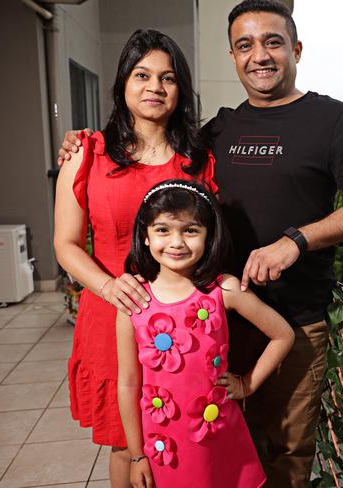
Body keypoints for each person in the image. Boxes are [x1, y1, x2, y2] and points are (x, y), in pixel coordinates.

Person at [59, 2, 343, 486]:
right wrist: (78, 141)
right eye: (245, 45)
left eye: (273, 42)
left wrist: (295, 241)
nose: (261, 55)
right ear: (231, 56)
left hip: (261, 316)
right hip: (168, 318)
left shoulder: (319, 121)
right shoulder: (209, 135)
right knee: (162, 444)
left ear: (296, 49)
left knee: (267, 451)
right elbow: (74, 236)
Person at [53, 30, 217, 487]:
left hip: (184, 323)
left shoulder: (198, 160)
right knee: (127, 446)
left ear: (180, 89)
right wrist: (108, 286)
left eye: (167, 78)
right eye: (142, 75)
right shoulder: (87, 153)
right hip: (112, 315)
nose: (155, 88)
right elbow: (65, 244)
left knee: (185, 433)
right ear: (123, 82)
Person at [117, 179, 294, 488]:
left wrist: (247, 384)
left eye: (190, 230)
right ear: (144, 236)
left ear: (208, 235)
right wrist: (136, 456)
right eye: (163, 230)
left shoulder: (223, 289)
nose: (176, 242)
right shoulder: (132, 302)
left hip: (217, 436)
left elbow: (283, 335)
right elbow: (129, 383)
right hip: (164, 443)